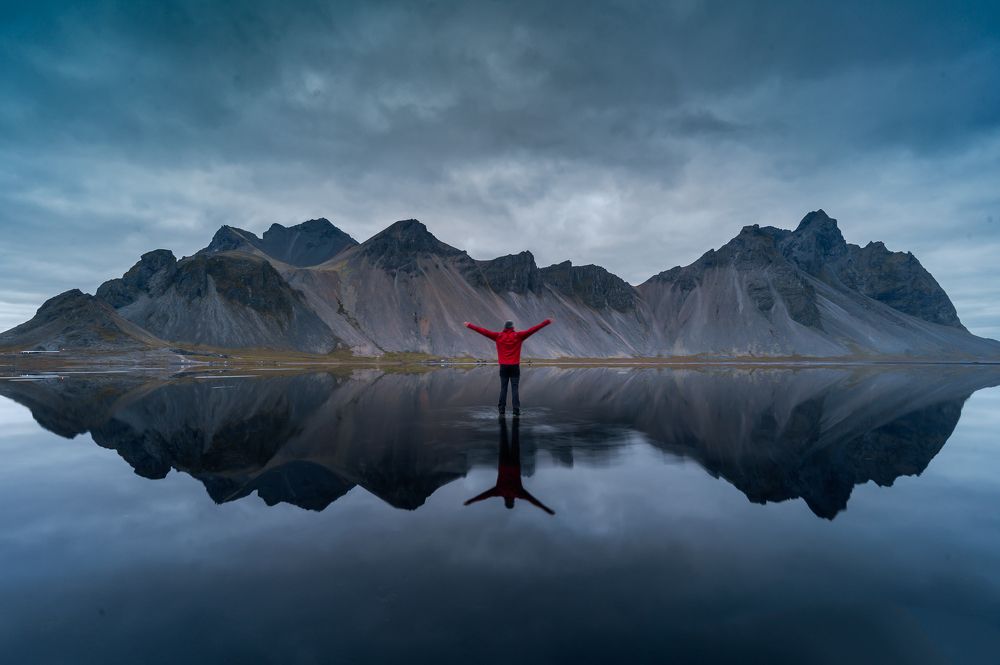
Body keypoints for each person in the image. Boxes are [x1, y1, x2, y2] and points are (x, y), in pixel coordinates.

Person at [464, 416, 554, 514]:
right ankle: (503, 422)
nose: (512, 500)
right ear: (505, 501)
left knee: (515, 440)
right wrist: (471, 501)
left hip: (514, 465)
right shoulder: (500, 492)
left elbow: (532, 500)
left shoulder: (517, 493)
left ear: (512, 501)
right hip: (504, 464)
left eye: (512, 501)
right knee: (504, 440)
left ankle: (515, 422)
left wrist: (546, 509)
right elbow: (485, 495)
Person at [464, 316, 552, 416]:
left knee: (503, 388)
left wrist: (469, 325)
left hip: (503, 367)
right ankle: (516, 410)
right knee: (515, 389)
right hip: (514, 367)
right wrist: (546, 322)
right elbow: (533, 329)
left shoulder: (498, 336)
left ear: (505, 327)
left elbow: (483, 331)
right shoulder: (519, 336)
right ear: (512, 327)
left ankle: (501, 410)